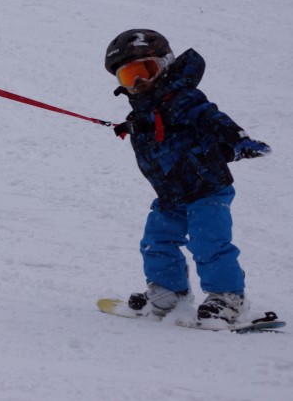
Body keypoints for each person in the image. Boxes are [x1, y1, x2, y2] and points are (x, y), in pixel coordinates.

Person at [105, 29, 271, 324]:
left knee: (209, 243)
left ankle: (229, 298)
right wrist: (129, 127)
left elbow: (212, 118)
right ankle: (169, 293)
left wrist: (238, 140)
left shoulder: (184, 99)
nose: (139, 82)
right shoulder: (143, 112)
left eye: (145, 70)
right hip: (170, 194)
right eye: (129, 77)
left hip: (207, 189)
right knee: (156, 241)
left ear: (165, 64)